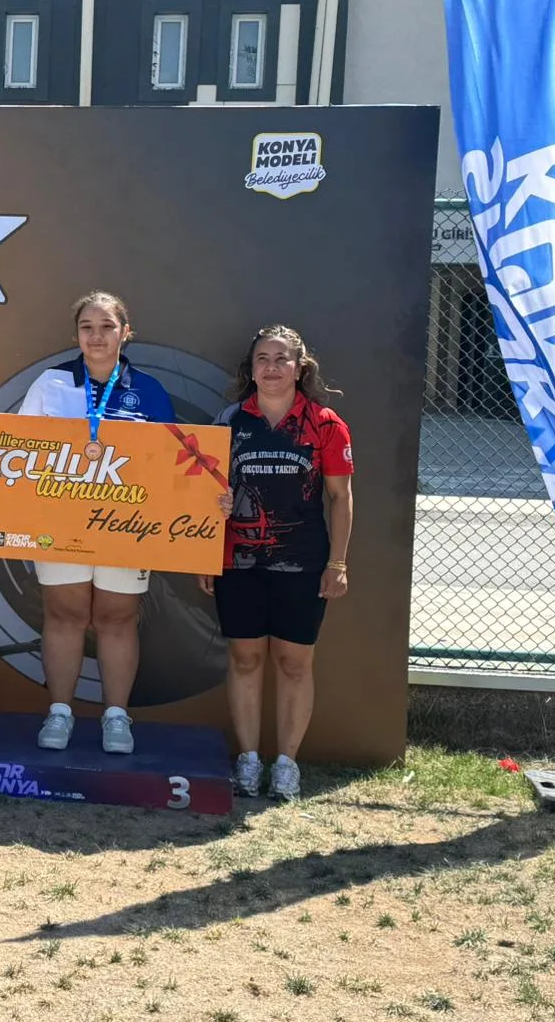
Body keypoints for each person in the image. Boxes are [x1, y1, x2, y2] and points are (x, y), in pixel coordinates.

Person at [17, 291, 180, 757]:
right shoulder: (51, 383)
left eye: (107, 326)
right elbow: (19, 448)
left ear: (126, 333)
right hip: (60, 521)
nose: (97, 336)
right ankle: (60, 712)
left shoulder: (148, 390)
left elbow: (172, 463)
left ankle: (116, 716)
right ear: (76, 336)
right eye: (87, 327)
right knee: (64, 615)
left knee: (117, 617)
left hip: (126, 524)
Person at [200, 325, 353, 802]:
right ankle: (248, 760)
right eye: (262, 359)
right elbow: (205, 492)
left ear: (300, 367)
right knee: (245, 659)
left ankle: (286, 764)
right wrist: (205, 550)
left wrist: (338, 562)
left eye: (281, 358)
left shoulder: (325, 423)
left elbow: (341, 497)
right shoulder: (229, 421)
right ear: (250, 369)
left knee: (294, 663)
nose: (271, 367)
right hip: (238, 560)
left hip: (302, 562)